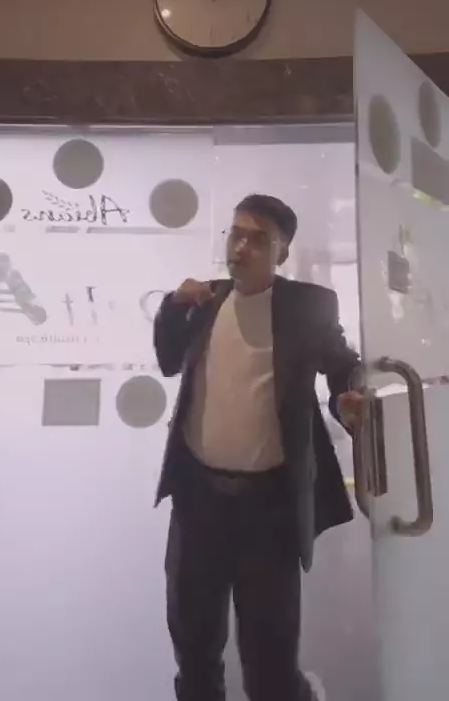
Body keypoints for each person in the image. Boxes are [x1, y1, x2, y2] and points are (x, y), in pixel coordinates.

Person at [154, 193, 363, 701]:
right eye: (236, 234)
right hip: (198, 503)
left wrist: (348, 401)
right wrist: (172, 306)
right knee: (194, 652)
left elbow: (343, 367)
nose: (241, 248)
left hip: (269, 511)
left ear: (281, 252)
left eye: (258, 239)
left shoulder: (306, 307)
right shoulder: (206, 300)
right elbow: (168, 359)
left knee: (270, 663)